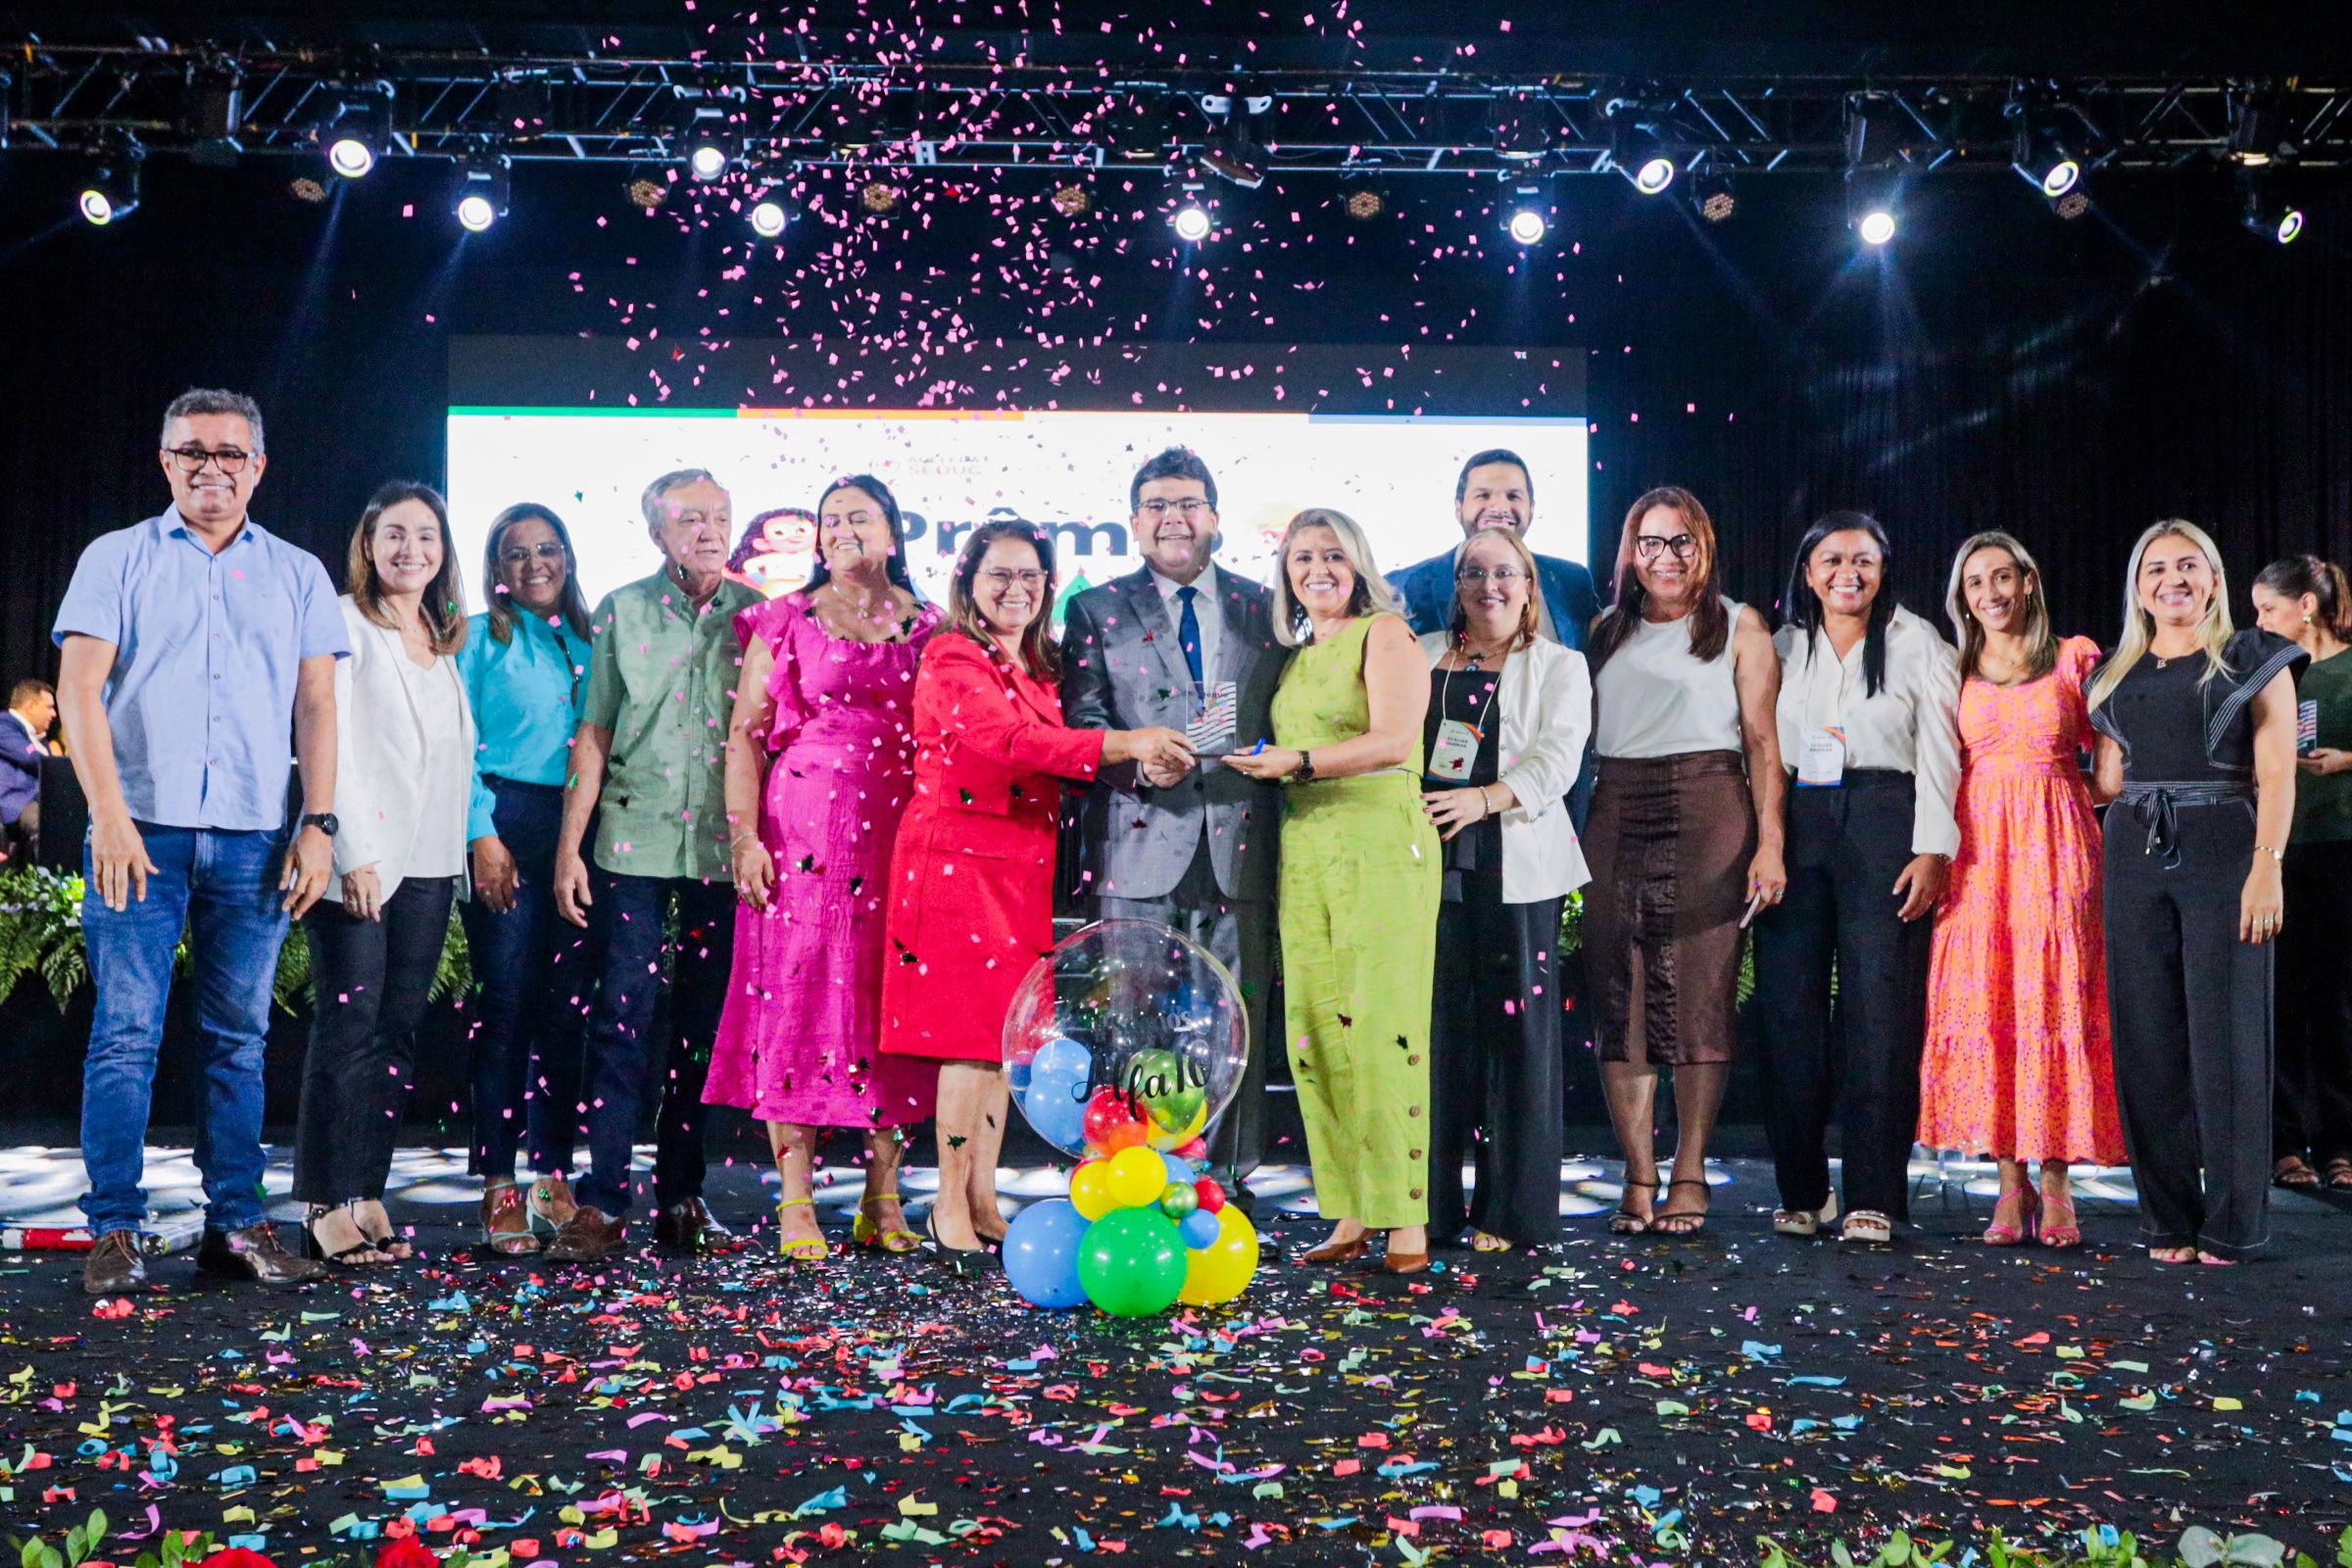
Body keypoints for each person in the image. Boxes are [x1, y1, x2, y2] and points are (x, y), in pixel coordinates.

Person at [52, 388, 345, 1295]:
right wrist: (106, 815)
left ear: (258, 465)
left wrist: (319, 823)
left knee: (239, 1040)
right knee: (125, 1036)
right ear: (165, 461)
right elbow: (78, 693)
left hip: (256, 836)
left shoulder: (297, 572)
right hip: (138, 833)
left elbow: (318, 706)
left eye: (229, 453)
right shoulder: (117, 558)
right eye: (192, 452)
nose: (210, 467)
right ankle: (115, 1228)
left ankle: (235, 1224)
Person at [880, 520, 1194, 1267]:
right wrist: (1131, 741)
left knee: (998, 1046)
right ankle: (948, 1204)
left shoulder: (1038, 665)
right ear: (969, 584)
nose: (1016, 589)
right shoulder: (952, 655)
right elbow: (1013, 745)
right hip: (956, 866)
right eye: (1000, 576)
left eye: (1030, 577)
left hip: (1018, 869)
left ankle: (982, 1197)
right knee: (964, 1047)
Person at [707, 475, 942, 1262]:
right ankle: (797, 1199)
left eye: (859, 516)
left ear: (893, 532)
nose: (842, 529)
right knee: (799, 1002)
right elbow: (744, 735)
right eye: (830, 519)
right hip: (802, 835)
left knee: (891, 1007)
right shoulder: (786, 617)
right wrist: (745, 840)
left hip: (900, 841)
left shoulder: (932, 626)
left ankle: (883, 1195)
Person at [1060, 447, 1285, 1216]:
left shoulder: (1267, 607)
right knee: (1136, 1023)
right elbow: (1081, 719)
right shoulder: (1096, 608)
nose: (1173, 518)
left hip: (1242, 846)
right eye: (1156, 505)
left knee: (1235, 1030)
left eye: (1188, 504)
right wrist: (1132, 766)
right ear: (1132, 523)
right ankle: (1136, 1180)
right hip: (1137, 841)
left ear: (1215, 518)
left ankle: (1227, 1185)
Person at [549, 469, 762, 1263]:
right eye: (689, 518)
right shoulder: (622, 609)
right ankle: (603, 1201)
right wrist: (570, 847)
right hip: (631, 844)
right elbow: (594, 732)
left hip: (719, 850)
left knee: (700, 1031)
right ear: (656, 531)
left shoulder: (759, 617)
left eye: (719, 515)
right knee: (621, 1019)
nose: (707, 530)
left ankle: (682, 1198)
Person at [1229, 510, 1441, 1273]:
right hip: (1307, 845)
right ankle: (1350, 1211)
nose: (1316, 569)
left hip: (1380, 839)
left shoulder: (1384, 634)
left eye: (1332, 555)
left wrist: (1300, 761)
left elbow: (1393, 739)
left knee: (1384, 1032)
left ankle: (1406, 1219)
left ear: (1359, 564)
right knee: (1315, 1035)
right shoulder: (1291, 656)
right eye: (1301, 557)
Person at [2088, 520, 2302, 1265]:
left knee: (2230, 1037)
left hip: (2225, 845)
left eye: (2188, 566)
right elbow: (2111, 780)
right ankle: (2166, 1219)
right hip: (2133, 845)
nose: (2171, 579)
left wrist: (2266, 864)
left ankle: (2235, 1223)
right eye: (2155, 568)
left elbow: (2278, 770)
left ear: (2213, 577)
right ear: (2137, 585)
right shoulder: (2114, 673)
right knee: (2146, 1037)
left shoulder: (2251, 655)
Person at [1582, 486, 1787, 1238]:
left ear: (1704, 548)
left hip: (1710, 806)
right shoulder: (1605, 629)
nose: (1666, 558)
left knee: (1700, 993)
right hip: (1617, 808)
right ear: (1631, 554)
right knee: (1620, 994)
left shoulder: (1740, 625)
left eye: (1680, 543)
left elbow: (1764, 745)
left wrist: (1771, 842)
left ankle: (1690, 1171)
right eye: (1651, 544)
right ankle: (1637, 1175)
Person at [1750, 513, 1959, 1246]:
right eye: (1832, 560)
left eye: (1864, 560)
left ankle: (1874, 1192)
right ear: (1807, 571)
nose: (1849, 573)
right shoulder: (1779, 646)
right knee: (1789, 1013)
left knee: (1880, 1013)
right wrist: (1765, 842)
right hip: (1798, 824)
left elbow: (1940, 751)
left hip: (1885, 818)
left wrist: (1934, 848)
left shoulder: (1918, 641)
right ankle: (1804, 1191)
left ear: (1884, 568)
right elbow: (1763, 752)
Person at [1918, 532, 2123, 1248]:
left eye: (2002, 577)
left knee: (2054, 994)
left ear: (2029, 582)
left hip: (2058, 845)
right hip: (1977, 853)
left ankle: (2059, 1181)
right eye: (1976, 583)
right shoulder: (1955, 665)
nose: (1991, 593)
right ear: (1962, 598)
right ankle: (2010, 1182)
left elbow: (2113, 757)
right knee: (1991, 998)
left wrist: (2088, 794)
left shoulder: (2076, 656)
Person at [292, 482, 475, 1268]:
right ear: (368, 545)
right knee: (349, 1030)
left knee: (399, 1032)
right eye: (394, 535)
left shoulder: (439, 634)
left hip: (432, 863)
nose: (411, 550)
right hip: (362, 862)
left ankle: (367, 1188)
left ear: (444, 551)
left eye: (426, 536)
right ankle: (323, 1202)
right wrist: (349, 843)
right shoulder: (342, 618)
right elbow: (329, 735)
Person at [1413, 527, 1590, 1251]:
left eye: (1506, 572)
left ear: (1529, 585)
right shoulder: (1421, 655)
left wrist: (1483, 799)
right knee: (1431, 1038)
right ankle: (1425, 1209)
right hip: (1425, 868)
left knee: (1517, 1039)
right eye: (1474, 572)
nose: (1490, 584)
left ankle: (1510, 1212)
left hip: (1515, 866)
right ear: (1457, 584)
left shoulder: (1561, 665)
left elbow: (1558, 762)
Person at [455, 502, 597, 1256]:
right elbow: (458, 744)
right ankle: (497, 1188)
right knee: (507, 1005)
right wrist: (482, 832)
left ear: (567, 558)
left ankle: (553, 1182)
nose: (534, 563)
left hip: (578, 835)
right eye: (516, 553)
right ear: (497, 569)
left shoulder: (589, 643)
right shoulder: (478, 640)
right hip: (506, 822)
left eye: (548, 548)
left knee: (565, 1014)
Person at [2249, 554, 2352, 1193]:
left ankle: (2341, 1144)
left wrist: (2347, 760)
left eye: (2268, 608)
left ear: (2306, 606)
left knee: (2337, 1003)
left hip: (2343, 848)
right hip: (2281, 853)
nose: (2259, 621)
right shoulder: (2273, 672)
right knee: (2280, 1001)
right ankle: (2285, 1146)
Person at [1387, 450, 1602, 649]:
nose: (1500, 508)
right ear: (1458, 508)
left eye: (1513, 496)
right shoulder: (1400, 588)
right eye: (1484, 496)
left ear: (1532, 509)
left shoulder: (1573, 581)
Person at [1, 678, 57, 864]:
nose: (54, 714)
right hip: (12, 801)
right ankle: (52, 884)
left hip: (37, 801)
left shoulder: (41, 741)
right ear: (31, 706)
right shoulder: (4, 725)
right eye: (49, 707)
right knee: (44, 823)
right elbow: (29, 757)